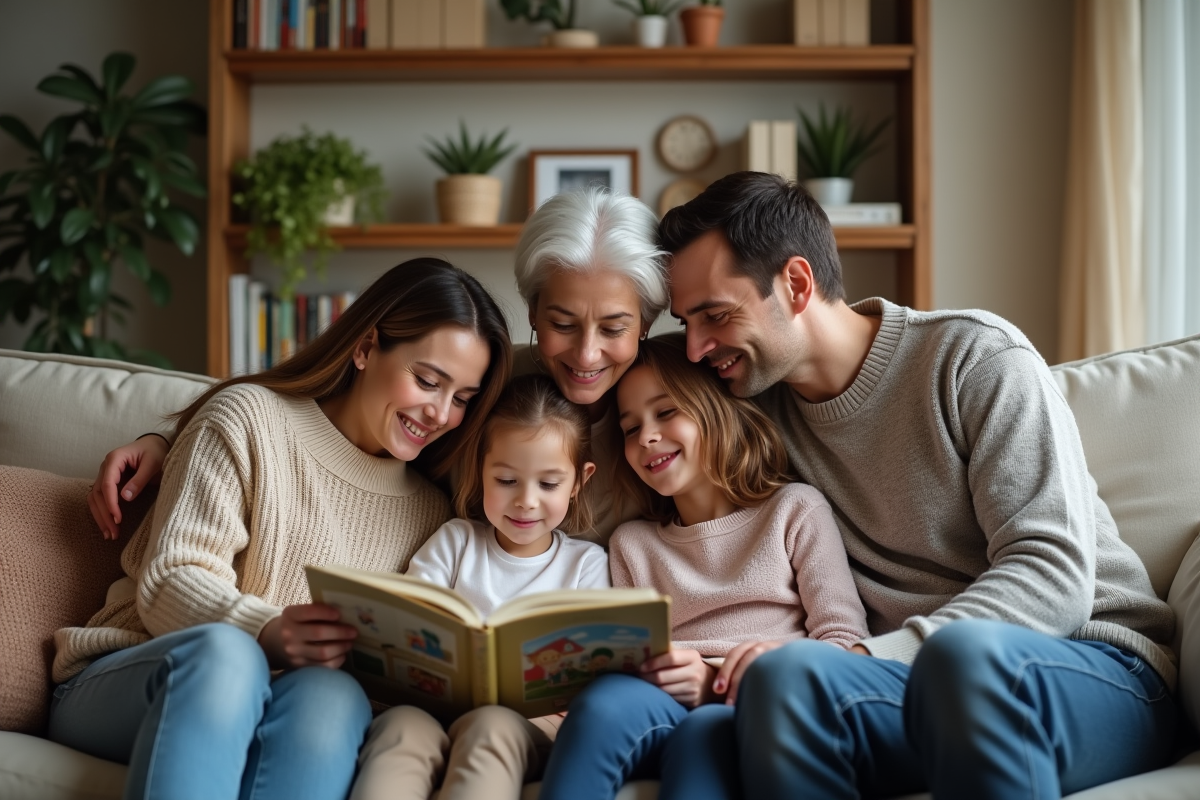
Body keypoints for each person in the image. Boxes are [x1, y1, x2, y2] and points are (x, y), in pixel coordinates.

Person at [656, 171, 1180, 798]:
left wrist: (865, 658)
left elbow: (1053, 573)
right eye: (685, 321)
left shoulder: (973, 358)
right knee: (783, 678)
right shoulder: (746, 411)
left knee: (960, 662)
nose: (694, 347)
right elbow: (610, 391)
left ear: (796, 284)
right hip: (908, 682)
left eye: (714, 315)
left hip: (1093, 665)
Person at [49, 258, 512, 800]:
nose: (440, 413)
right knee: (231, 657)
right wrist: (266, 631)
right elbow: (170, 578)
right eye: (428, 381)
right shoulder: (248, 418)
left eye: (461, 399)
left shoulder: (432, 515)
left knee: (331, 697)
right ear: (365, 347)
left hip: (289, 708)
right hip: (139, 674)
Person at [89, 188, 670, 546]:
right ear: (534, 314)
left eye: (614, 329)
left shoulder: (675, 401)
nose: (587, 354)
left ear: (645, 323)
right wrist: (169, 438)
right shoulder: (493, 384)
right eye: (563, 324)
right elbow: (319, 404)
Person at [537, 335, 868, 800]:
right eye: (630, 428)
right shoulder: (632, 544)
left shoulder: (795, 511)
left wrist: (716, 683)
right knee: (601, 706)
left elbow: (843, 642)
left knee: (706, 734)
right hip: (654, 705)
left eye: (666, 412)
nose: (647, 436)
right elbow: (628, 658)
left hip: (752, 701)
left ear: (716, 408)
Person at [350, 374, 609, 800]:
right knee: (399, 731)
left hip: (529, 722)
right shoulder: (456, 541)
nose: (526, 500)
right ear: (481, 470)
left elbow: (596, 665)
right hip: (434, 710)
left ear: (580, 481)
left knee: (491, 727)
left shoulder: (585, 565)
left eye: (548, 484)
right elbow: (406, 626)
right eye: (506, 480)